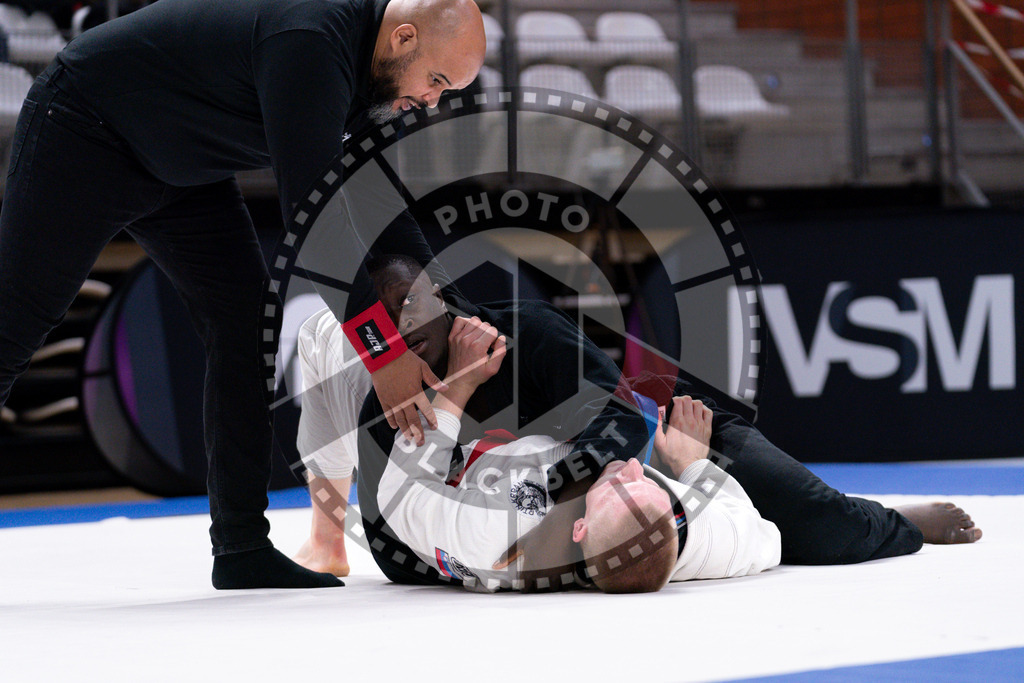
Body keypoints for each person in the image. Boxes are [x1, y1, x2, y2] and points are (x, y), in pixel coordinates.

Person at [0, 0, 486, 589]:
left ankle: (240, 547)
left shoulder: (377, 74)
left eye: (449, 92)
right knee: (17, 322)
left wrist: (459, 308)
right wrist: (382, 354)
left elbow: (380, 204)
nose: (433, 103)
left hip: (178, 166)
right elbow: (315, 226)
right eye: (436, 82)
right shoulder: (311, 40)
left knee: (246, 323)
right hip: (86, 127)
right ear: (403, 37)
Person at [294, 255, 981, 586]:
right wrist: (690, 469)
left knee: (819, 519)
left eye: (417, 337)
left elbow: (622, 426)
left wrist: (572, 478)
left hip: (633, 450)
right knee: (403, 546)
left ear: (448, 311)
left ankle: (888, 520)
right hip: (630, 480)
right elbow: (400, 500)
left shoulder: (524, 337)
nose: (405, 359)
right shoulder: (378, 387)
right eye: (386, 347)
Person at [374, 315, 781, 593]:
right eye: (649, 486)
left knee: (334, 337)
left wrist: (457, 386)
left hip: (421, 482)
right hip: (537, 438)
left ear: (579, 528)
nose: (633, 469)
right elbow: (763, 535)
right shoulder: (690, 543)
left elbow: (399, 494)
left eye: (619, 486)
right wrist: (692, 464)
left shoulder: (493, 534)